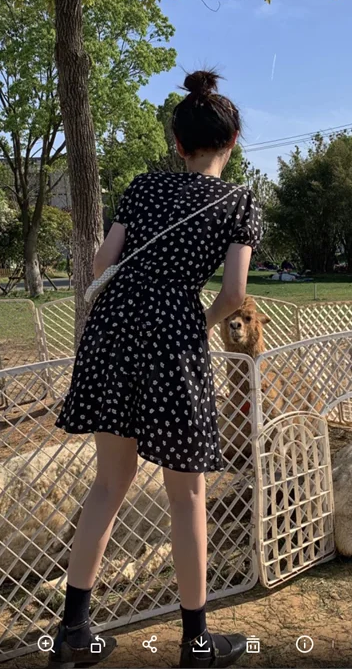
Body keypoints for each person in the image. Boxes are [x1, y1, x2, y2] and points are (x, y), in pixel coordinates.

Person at [50, 70, 262, 669]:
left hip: (112, 332)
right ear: (234, 139)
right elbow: (234, 292)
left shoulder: (143, 188)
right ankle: (196, 643)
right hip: (172, 337)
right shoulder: (238, 201)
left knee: (108, 485)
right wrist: (195, 324)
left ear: (177, 142)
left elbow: (100, 262)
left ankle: (73, 633)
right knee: (187, 493)